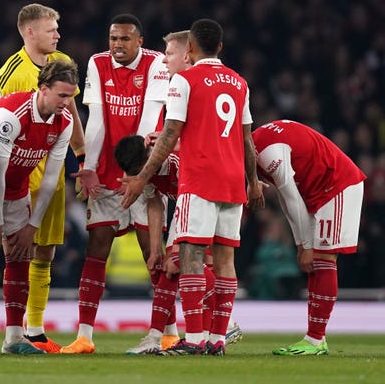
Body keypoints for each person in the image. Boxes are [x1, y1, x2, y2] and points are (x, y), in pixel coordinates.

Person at [121, 18, 265, 356]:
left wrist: (142, 177)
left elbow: (170, 134)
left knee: (190, 257)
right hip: (233, 182)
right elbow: (246, 139)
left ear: (191, 49)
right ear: (221, 47)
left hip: (199, 179)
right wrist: (254, 180)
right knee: (226, 260)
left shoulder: (184, 81)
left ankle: (196, 338)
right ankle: (217, 339)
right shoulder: (240, 83)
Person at [0, 3, 85, 353]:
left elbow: (72, 117)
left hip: (37, 176)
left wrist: (82, 158)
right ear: (30, 32)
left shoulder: (61, 68)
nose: (58, 34)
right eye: (52, 28)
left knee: (40, 251)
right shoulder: (12, 74)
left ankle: (29, 331)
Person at [61, 13, 169, 354]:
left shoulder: (156, 64)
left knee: (152, 252)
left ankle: (167, 333)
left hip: (142, 171)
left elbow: (150, 119)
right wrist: (89, 167)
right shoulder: (97, 63)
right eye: (113, 39)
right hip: (107, 174)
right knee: (97, 251)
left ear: (139, 41)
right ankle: (84, 336)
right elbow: (97, 121)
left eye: (124, 39)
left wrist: (140, 174)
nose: (117, 45)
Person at [252, 120, 366, 356]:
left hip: (336, 185)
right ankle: (314, 338)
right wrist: (300, 243)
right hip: (317, 192)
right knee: (316, 263)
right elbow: (286, 200)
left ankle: (315, 339)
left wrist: (305, 246)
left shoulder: (269, 153)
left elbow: (291, 198)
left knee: (323, 259)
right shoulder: (256, 143)